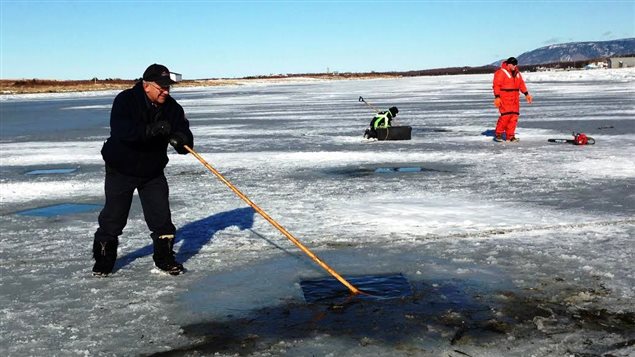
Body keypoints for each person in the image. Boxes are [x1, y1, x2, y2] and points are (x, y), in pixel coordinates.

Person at [92, 64, 194, 276]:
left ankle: (165, 259)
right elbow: (121, 130)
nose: (166, 91)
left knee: (162, 218)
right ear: (147, 85)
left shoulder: (171, 107)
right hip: (121, 168)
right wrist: (150, 130)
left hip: (152, 171)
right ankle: (103, 261)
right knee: (113, 218)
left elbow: (185, 132)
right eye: (161, 87)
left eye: (168, 87)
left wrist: (181, 140)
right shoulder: (126, 100)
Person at [492, 57, 533, 142]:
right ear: (508, 64)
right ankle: (498, 134)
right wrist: (497, 97)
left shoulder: (517, 73)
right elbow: (496, 85)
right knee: (505, 116)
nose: (515, 66)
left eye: (516, 64)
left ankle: (510, 136)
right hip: (505, 98)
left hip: (515, 98)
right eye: (513, 64)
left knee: (514, 117)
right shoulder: (501, 72)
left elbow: (521, 84)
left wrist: (526, 94)